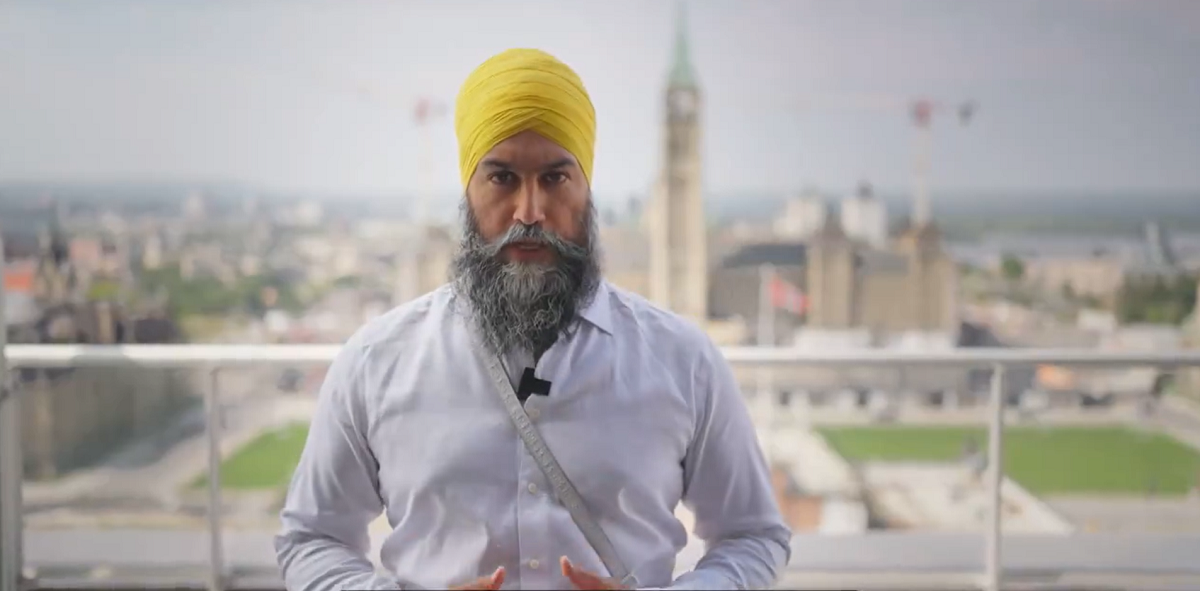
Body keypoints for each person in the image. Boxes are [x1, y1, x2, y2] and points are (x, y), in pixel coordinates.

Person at [275, 48, 790, 591]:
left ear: (587, 188)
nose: (528, 212)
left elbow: (753, 535)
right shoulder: (376, 363)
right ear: (467, 192)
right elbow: (313, 539)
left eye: (554, 178)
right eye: (501, 178)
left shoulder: (683, 361)